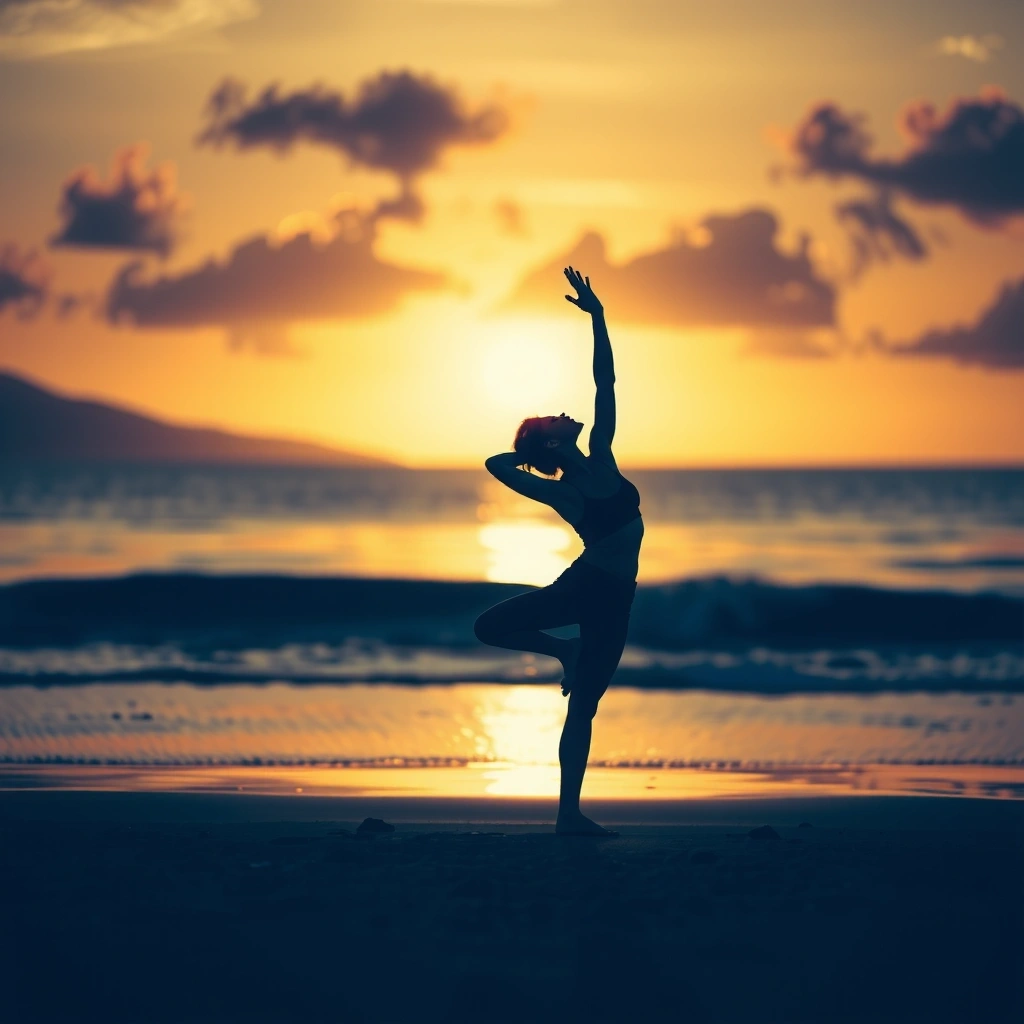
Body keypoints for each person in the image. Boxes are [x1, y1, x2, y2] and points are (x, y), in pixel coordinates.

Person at [474, 267, 643, 836]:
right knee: (488, 626)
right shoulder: (561, 490)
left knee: (584, 709)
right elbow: (496, 466)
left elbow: (607, 384)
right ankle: (561, 652)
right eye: (552, 419)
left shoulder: (601, 453)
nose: (562, 412)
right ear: (551, 440)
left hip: (617, 599)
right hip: (586, 585)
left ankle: (568, 815)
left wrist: (597, 316)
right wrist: (532, 450)